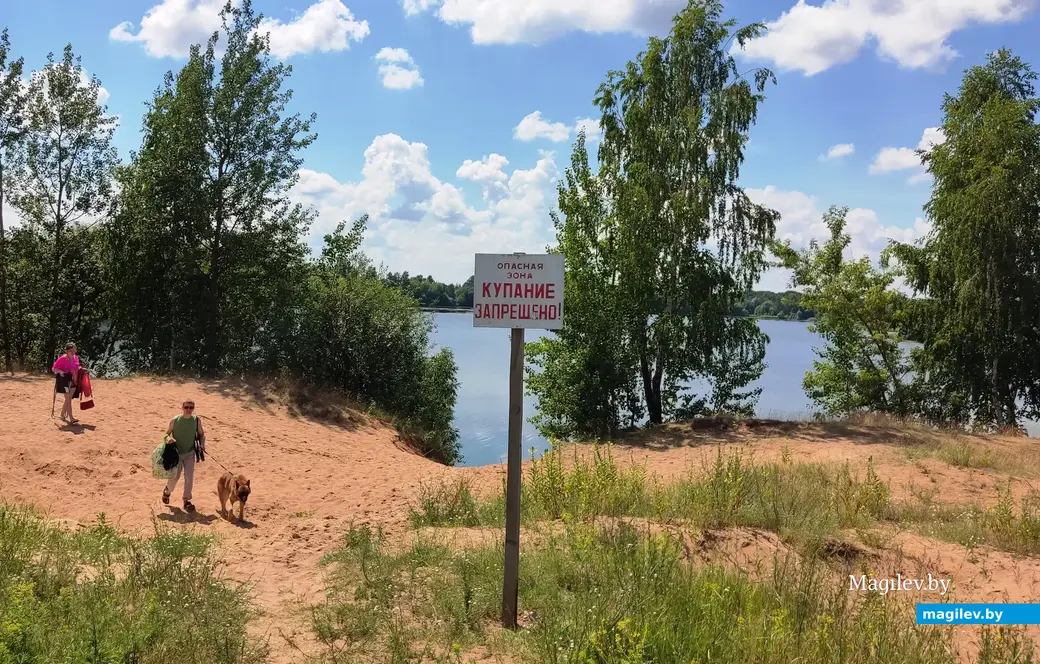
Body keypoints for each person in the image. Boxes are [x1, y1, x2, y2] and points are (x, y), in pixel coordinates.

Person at [162, 400, 206, 512]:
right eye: (186, 407)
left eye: (191, 407)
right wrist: (168, 439)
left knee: (189, 477)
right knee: (175, 477)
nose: (188, 410)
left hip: (190, 453)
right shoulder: (175, 420)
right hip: (176, 454)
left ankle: (186, 500)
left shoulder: (196, 420)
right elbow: (166, 434)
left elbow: (201, 434)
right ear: (182, 407)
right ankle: (167, 492)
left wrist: (202, 444)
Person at [52, 342, 84, 423]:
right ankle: (71, 418)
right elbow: (54, 369)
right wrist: (60, 371)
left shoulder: (76, 357)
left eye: (74, 350)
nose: (73, 352)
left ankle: (62, 415)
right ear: (67, 351)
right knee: (68, 399)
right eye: (71, 351)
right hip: (65, 381)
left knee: (68, 399)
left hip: (74, 380)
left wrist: (81, 369)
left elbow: (76, 367)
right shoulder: (62, 359)